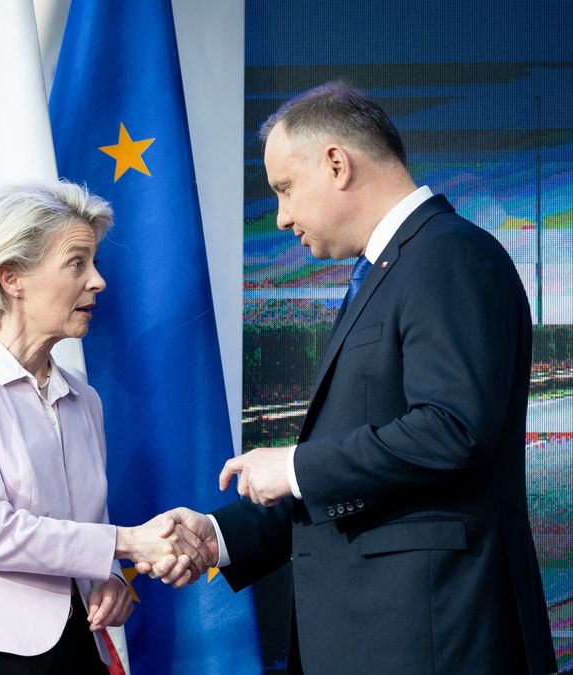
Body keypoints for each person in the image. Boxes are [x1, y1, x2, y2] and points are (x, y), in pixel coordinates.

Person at [142, 81, 557, 674]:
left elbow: (453, 429)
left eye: (285, 188)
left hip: (430, 642)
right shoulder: (390, 268)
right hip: (377, 639)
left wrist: (291, 466)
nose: (281, 217)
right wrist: (218, 535)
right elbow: (363, 468)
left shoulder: (448, 256)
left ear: (336, 163)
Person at [0, 181, 203, 674]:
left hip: (74, 650)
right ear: (12, 277)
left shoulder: (85, 398)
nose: (98, 280)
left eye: (94, 263)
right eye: (77, 263)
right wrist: (127, 543)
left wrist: (111, 582)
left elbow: (85, 533)